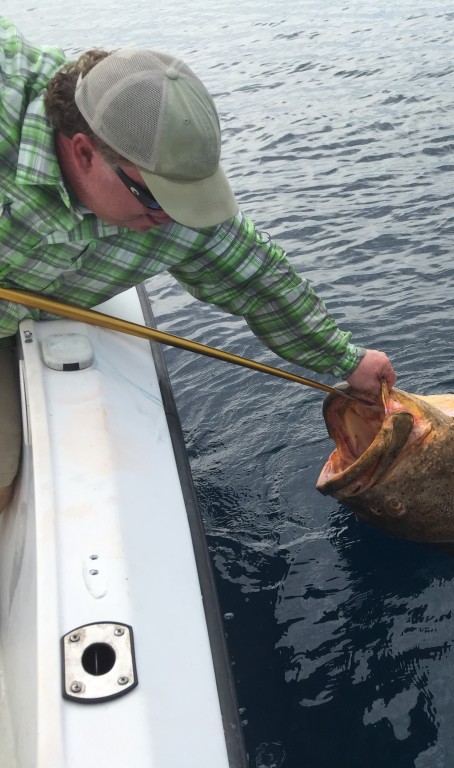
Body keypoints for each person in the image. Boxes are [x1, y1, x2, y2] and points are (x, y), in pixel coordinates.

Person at [0, 19, 397, 511]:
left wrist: (348, 361)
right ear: (84, 153)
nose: (173, 219)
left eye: (186, 199)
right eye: (156, 198)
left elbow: (260, 282)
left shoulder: (176, 218)